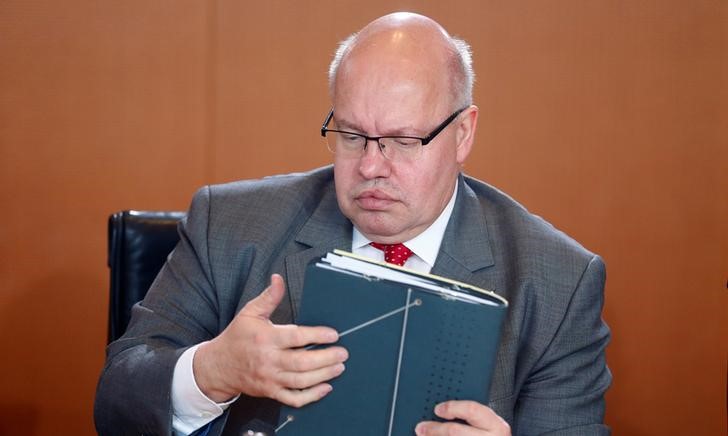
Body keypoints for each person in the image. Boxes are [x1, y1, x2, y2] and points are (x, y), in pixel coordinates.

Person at [95, 12, 611, 436]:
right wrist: (212, 371)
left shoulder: (558, 282)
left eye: (404, 141)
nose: (370, 166)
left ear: (462, 134)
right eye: (351, 135)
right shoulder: (228, 225)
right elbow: (116, 401)